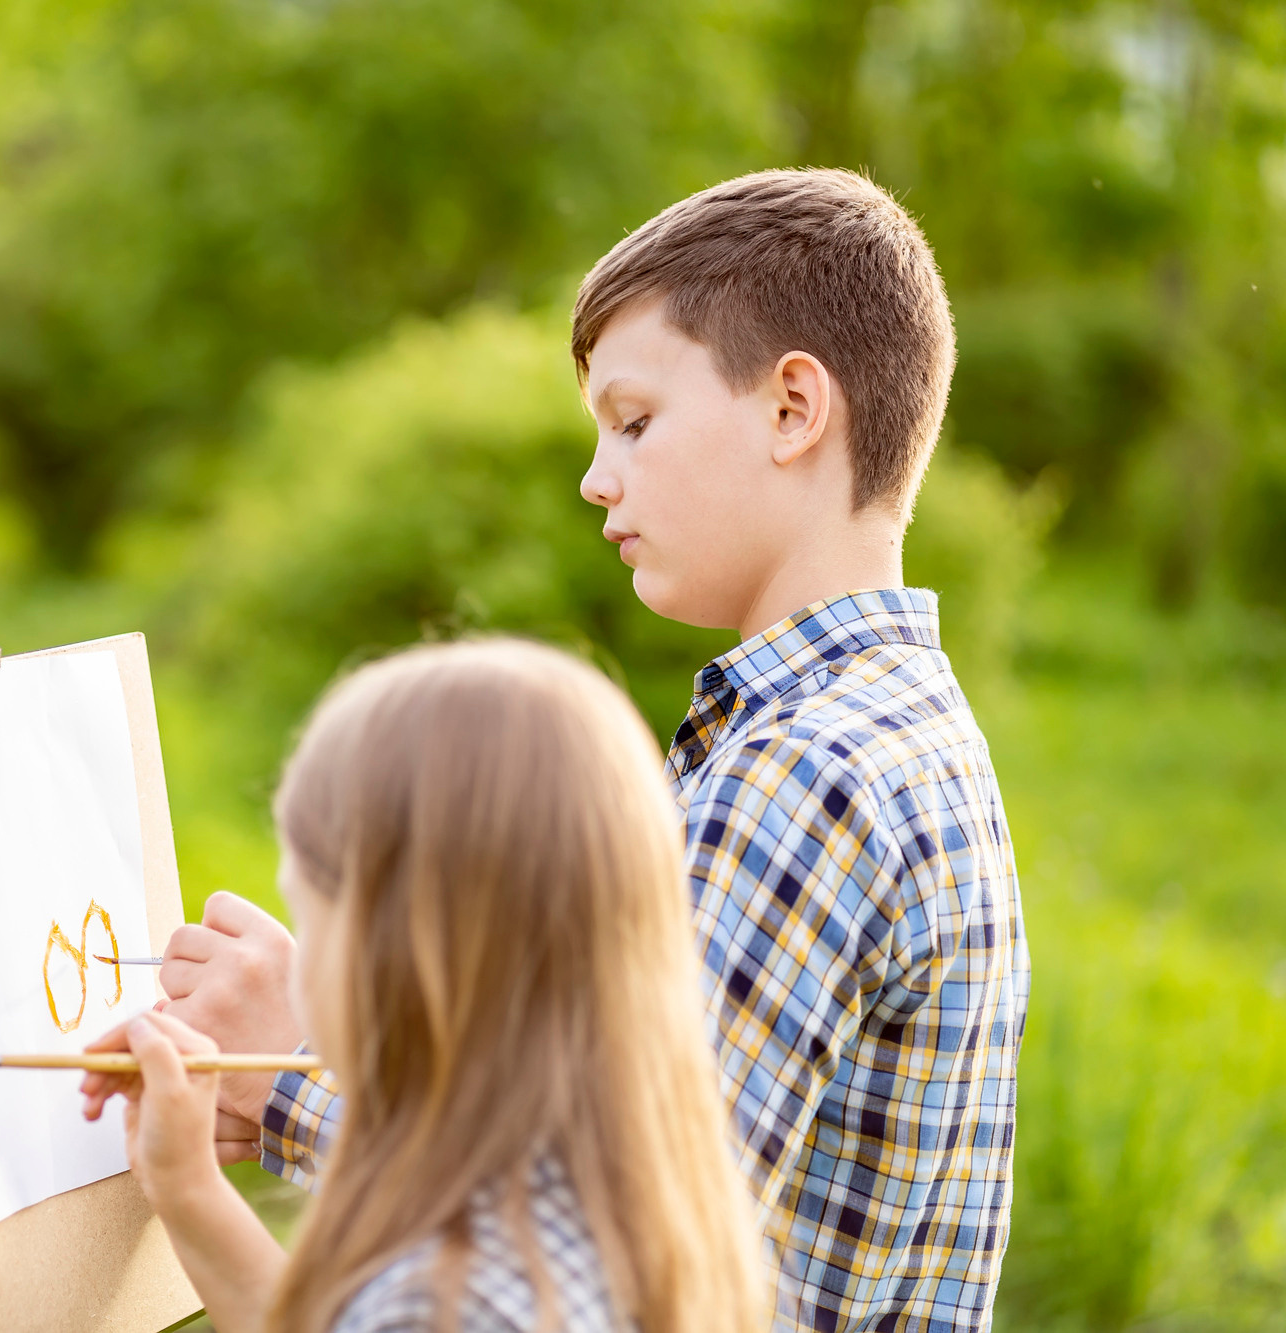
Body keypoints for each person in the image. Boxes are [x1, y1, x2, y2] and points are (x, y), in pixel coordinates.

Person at [156, 169, 1030, 1332]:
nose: (594, 477)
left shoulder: (802, 775)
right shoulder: (904, 724)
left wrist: (287, 1077)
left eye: (633, 421)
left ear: (789, 410)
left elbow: (612, 1248)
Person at [81, 640, 768, 1333]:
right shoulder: (629, 1197)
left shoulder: (447, 1295)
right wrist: (188, 1187)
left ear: (399, 946)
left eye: (311, 912)